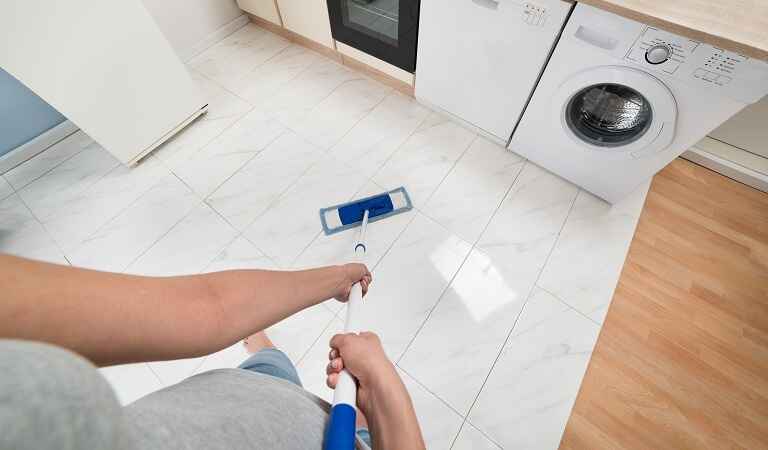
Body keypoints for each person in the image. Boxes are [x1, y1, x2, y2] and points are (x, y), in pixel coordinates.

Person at [0, 253, 426, 450]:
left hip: (241, 392)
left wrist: (337, 278)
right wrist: (386, 396)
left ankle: (256, 337)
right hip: (341, 434)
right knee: (359, 414)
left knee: (272, 365)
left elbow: (211, 307)